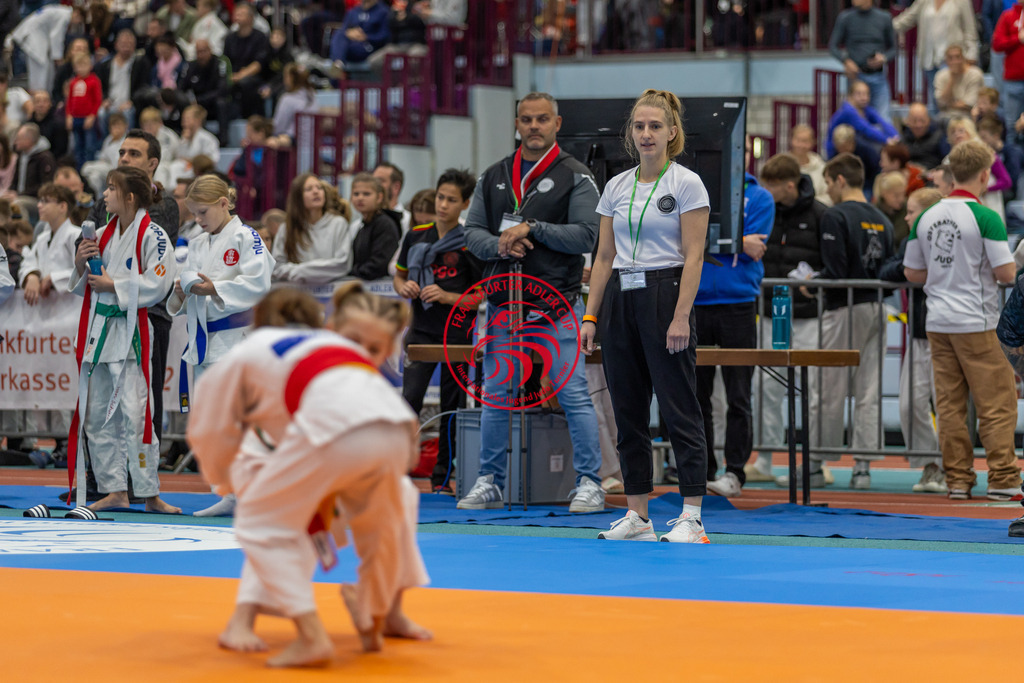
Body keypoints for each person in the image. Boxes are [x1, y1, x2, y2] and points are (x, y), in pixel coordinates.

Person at [188, 284, 430, 666]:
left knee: (262, 525)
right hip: (396, 431)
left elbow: (208, 429)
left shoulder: (250, 350)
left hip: (330, 440)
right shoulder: (333, 349)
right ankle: (376, 612)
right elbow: (376, 399)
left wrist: (220, 479)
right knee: (393, 506)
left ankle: (312, 635)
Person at [459, 91, 604, 514]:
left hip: (556, 305)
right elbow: (473, 235)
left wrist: (533, 228)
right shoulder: (494, 175)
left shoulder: (576, 175)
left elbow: (586, 235)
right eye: (527, 119)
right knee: (496, 393)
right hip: (506, 305)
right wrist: (503, 244)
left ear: (557, 124)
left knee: (574, 392)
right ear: (517, 124)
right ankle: (490, 481)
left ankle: (590, 482)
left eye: (543, 119)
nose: (534, 126)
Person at [579, 88, 709, 541]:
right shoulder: (616, 185)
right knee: (627, 410)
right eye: (639, 126)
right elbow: (602, 257)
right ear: (630, 134)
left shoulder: (686, 183)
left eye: (656, 126)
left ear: (672, 133)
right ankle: (638, 515)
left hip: (666, 293)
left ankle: (692, 514)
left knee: (678, 408)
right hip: (621, 297)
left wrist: (680, 317)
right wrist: (591, 317)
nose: (647, 133)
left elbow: (694, 257)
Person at [905, 139, 1022, 500]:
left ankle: (957, 480)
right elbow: (1005, 274)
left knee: (950, 405)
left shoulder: (926, 216)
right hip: (976, 321)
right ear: (985, 175)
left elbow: (912, 272)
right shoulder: (986, 217)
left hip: (938, 322)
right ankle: (1002, 478)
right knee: (997, 403)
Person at [67, 166, 179, 513]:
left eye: (111, 189)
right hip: (100, 334)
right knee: (99, 414)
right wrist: (80, 261)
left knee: (136, 413)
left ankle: (149, 493)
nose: (104, 195)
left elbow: (160, 283)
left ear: (129, 197)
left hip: (131, 333)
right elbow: (82, 280)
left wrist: (114, 285)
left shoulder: (153, 235)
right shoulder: (102, 233)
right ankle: (114, 488)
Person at [167, 174, 274, 517]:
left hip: (235, 340)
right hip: (203, 341)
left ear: (224, 203)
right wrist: (182, 292)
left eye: (202, 213)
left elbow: (258, 282)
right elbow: (186, 285)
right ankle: (229, 493)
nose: (197, 220)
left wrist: (215, 289)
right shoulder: (198, 242)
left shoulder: (247, 237)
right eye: (194, 214)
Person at [792, 153, 894, 489]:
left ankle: (816, 463)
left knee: (828, 387)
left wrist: (812, 281)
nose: (828, 191)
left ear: (838, 180)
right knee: (869, 388)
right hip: (878, 307)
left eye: (828, 184)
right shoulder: (883, 218)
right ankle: (862, 468)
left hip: (844, 309)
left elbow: (835, 270)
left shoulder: (836, 215)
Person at [393, 168, 483, 494]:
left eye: (451, 200)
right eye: (440, 197)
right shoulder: (415, 235)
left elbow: (480, 296)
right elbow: (399, 277)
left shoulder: (471, 242)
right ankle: (397, 472)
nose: (443, 205)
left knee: (451, 408)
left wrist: (447, 296)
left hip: (457, 334)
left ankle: (442, 478)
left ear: (465, 204)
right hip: (419, 331)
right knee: (409, 403)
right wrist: (405, 287)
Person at [697, 137, 774, 498]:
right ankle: (701, 469)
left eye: (742, 148)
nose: (735, 154)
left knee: (738, 395)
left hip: (738, 304)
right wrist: (737, 242)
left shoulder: (759, 197)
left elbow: (753, 246)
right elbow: (684, 239)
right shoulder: (693, 189)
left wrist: (714, 239)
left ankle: (734, 472)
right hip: (693, 303)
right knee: (696, 394)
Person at [748, 153, 827, 483]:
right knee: (765, 385)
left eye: (771, 185)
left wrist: (818, 280)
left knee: (812, 388)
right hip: (770, 312)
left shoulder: (822, 214)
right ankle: (764, 458)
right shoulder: (765, 211)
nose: (765, 190)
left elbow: (830, 261)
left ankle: (814, 463)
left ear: (790, 184)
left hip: (808, 315)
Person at [879, 186, 946, 493]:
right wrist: (912, 269)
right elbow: (890, 269)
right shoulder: (911, 241)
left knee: (948, 404)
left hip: (949, 333)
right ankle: (931, 462)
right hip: (919, 332)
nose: (906, 217)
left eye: (912, 211)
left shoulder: (949, 239)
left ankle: (952, 467)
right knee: (909, 403)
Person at [18, 182, 80, 468]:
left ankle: (73, 443)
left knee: (69, 382)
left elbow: (83, 269)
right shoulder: (42, 236)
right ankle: (58, 442)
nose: (39, 205)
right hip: (46, 326)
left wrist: (52, 278)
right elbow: (28, 257)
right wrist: (31, 273)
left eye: (47, 201)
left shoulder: (75, 235)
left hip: (70, 322)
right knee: (52, 383)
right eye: (40, 200)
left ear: (63, 206)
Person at [893, 0, 978, 116]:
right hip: (929, 60)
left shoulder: (961, 2)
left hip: (953, 61)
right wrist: (882, 26)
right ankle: (939, 131)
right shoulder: (923, 1)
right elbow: (905, 20)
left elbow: (970, 30)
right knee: (935, 103)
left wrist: (971, 55)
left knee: (953, 103)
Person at [272, 173, 353, 285]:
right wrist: (301, 271)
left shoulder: (338, 224)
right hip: (297, 295)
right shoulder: (286, 228)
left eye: (319, 188)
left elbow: (342, 264)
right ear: (298, 197)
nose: (316, 192)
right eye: (309, 189)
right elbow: (277, 267)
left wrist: (301, 271)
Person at [828, 0, 897, 122]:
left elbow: (894, 49)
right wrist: (846, 61)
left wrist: (884, 58)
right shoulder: (845, 18)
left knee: (884, 119)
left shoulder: (884, 17)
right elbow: (833, 46)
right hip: (856, 77)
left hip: (878, 76)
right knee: (856, 119)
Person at [825, 80, 899, 158]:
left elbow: (882, 122)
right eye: (859, 94)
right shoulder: (848, 111)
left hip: (853, 148)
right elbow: (867, 129)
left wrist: (895, 136)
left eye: (866, 94)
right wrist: (886, 140)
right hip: (836, 151)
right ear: (850, 96)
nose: (864, 98)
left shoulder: (865, 109)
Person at [95, 30, 153, 130]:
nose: (126, 46)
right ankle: (106, 144)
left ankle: (127, 141)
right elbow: (101, 86)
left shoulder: (141, 63)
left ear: (135, 45)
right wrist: (104, 100)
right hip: (111, 103)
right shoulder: (106, 65)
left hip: (129, 104)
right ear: (116, 45)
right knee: (101, 114)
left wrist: (132, 101)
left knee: (127, 113)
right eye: (123, 43)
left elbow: (144, 86)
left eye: (130, 44)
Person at [9, 3, 72, 92]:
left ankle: (43, 96)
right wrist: (58, 58)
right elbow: (56, 36)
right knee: (40, 71)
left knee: (46, 70)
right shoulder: (65, 16)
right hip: (34, 40)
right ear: (77, 14)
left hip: (36, 37)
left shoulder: (61, 10)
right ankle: (39, 96)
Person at [349, 173, 401, 281]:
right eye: (356, 194)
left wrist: (352, 272)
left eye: (366, 194)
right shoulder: (363, 226)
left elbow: (378, 265)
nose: (360, 198)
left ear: (379, 197)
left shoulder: (385, 224)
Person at [179, 39, 230, 145]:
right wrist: (191, 101)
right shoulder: (191, 66)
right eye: (198, 52)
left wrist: (199, 100)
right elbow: (181, 88)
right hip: (198, 106)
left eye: (204, 51)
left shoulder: (219, 63)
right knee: (183, 103)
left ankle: (223, 140)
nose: (201, 55)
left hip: (214, 103)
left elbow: (222, 90)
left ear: (210, 50)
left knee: (221, 103)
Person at [223, 3, 270, 119]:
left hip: (254, 76)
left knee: (246, 83)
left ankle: (248, 117)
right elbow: (225, 61)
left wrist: (241, 75)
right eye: (236, 14)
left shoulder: (260, 37)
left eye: (241, 14)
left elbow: (258, 64)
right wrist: (230, 75)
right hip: (233, 75)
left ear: (251, 17)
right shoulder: (230, 38)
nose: (237, 17)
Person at [6, 123, 56, 226]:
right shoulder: (21, 155)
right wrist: (10, 192)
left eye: (19, 138)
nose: (15, 142)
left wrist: (19, 194)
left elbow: (45, 187)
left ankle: (21, 234)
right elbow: (15, 180)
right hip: (20, 195)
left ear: (29, 140)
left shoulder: (45, 158)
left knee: (17, 204)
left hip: (36, 199)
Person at [66, 54, 104, 170]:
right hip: (75, 117)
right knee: (78, 146)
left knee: (89, 146)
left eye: (84, 65)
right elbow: (70, 100)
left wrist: (92, 115)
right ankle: (79, 169)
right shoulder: (73, 82)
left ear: (90, 66)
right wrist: (68, 116)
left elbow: (98, 100)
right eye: (78, 66)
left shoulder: (94, 81)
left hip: (87, 118)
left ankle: (89, 168)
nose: (81, 69)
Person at [330, 0, 390, 71]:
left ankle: (337, 65)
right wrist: (350, 33)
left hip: (368, 46)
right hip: (350, 43)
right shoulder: (354, 11)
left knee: (339, 49)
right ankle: (338, 64)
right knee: (339, 34)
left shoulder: (383, 12)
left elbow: (384, 36)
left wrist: (365, 37)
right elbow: (344, 29)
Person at [993, 0, 1024, 132]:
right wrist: (1018, 38)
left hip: (1013, 80)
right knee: (1011, 126)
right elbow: (997, 44)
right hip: (1013, 79)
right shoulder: (1008, 16)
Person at [933, 44, 985, 119]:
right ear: (946, 61)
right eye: (950, 58)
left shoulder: (975, 74)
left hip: (969, 115)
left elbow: (970, 104)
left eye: (958, 57)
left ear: (964, 58)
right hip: (946, 115)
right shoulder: (940, 75)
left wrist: (948, 105)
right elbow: (941, 102)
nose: (955, 61)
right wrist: (952, 78)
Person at [269, 64, 315, 145]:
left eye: (285, 77)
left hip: (295, 144)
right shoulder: (312, 95)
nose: (284, 80)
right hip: (312, 143)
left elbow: (278, 127)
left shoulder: (287, 99)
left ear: (291, 78)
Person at [789, 124, 830, 205]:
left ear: (812, 143)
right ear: (791, 140)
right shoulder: (782, 165)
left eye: (805, 141)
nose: (801, 145)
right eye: (798, 140)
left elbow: (828, 195)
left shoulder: (821, 167)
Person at [901, 103, 950, 169]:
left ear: (929, 120)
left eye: (922, 120)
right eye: (914, 121)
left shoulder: (939, 137)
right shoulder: (903, 138)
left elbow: (947, 162)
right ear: (908, 121)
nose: (918, 125)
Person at [30, 91, 68, 164]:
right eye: (37, 101)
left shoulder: (58, 124)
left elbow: (60, 150)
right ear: (33, 104)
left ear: (50, 104)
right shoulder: (28, 124)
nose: (41, 105)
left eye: (45, 101)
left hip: (51, 163)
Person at [874, 172, 910, 246]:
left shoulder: (909, 208)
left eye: (903, 194)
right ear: (884, 194)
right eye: (896, 195)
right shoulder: (874, 212)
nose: (901, 199)